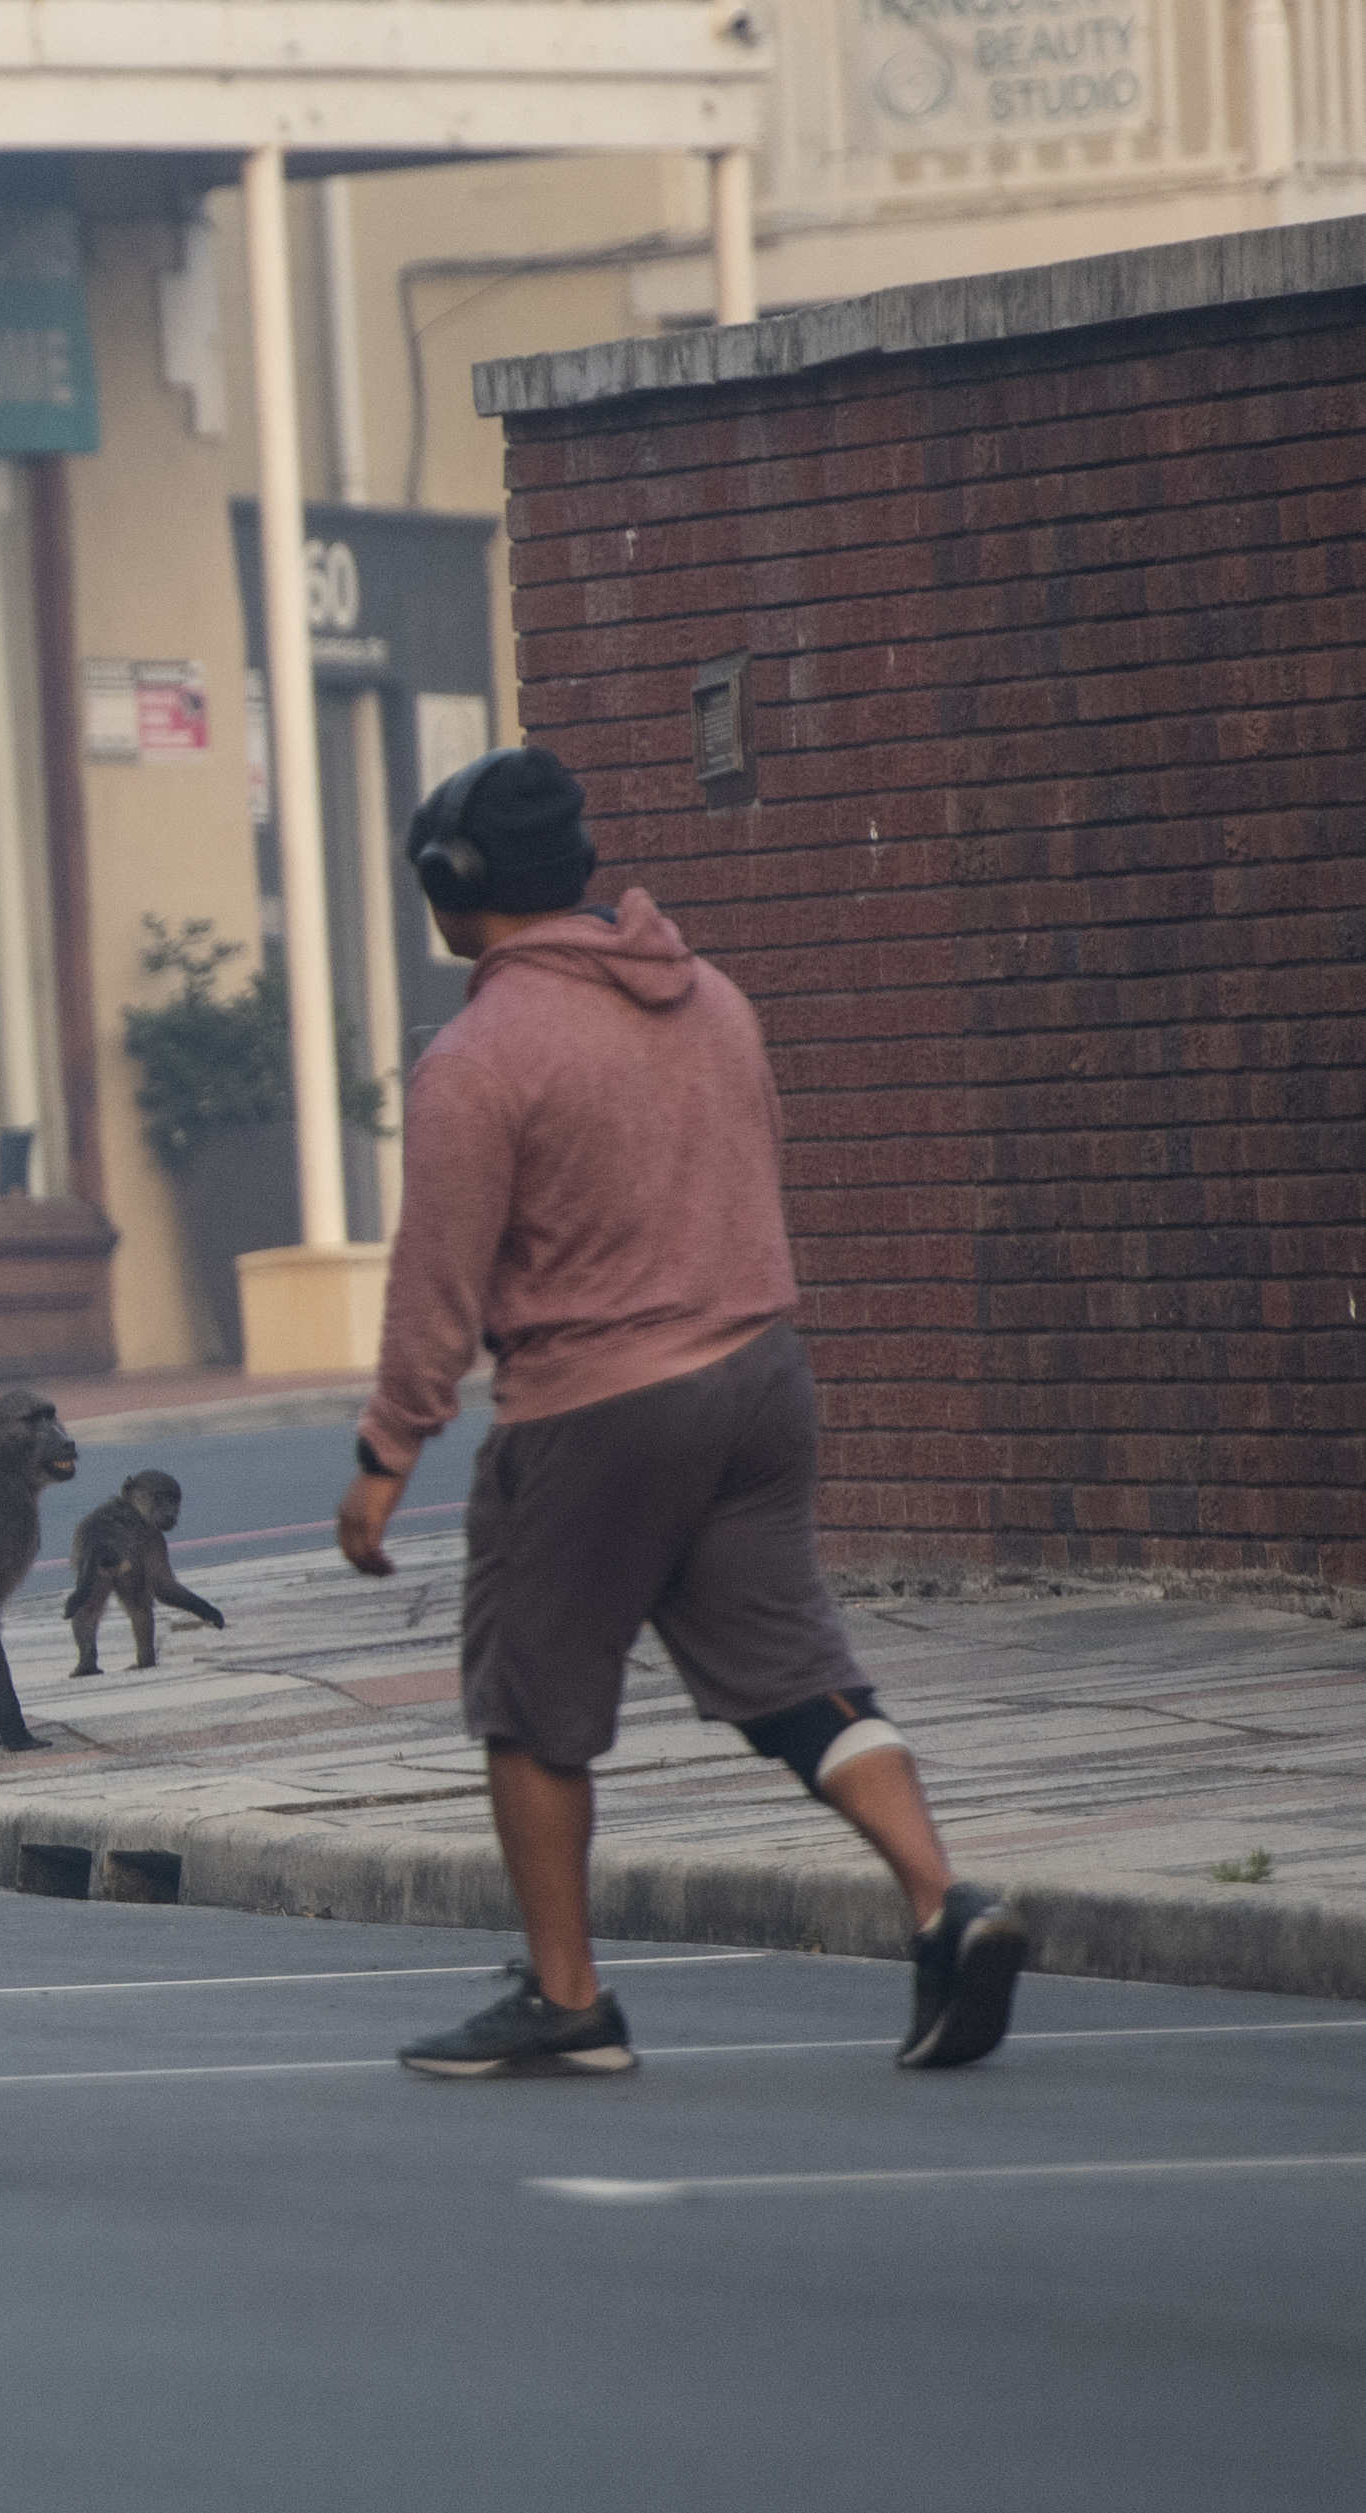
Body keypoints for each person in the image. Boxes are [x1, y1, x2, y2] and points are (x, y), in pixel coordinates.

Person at [337, 746, 1033, 2080]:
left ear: (451, 884)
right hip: (762, 1382)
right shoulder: (711, 996)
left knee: (531, 1704)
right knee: (798, 1678)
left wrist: (387, 1449)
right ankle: (949, 1900)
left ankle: (569, 1998)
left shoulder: (479, 1055)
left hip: (597, 1409)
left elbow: (438, 1280)